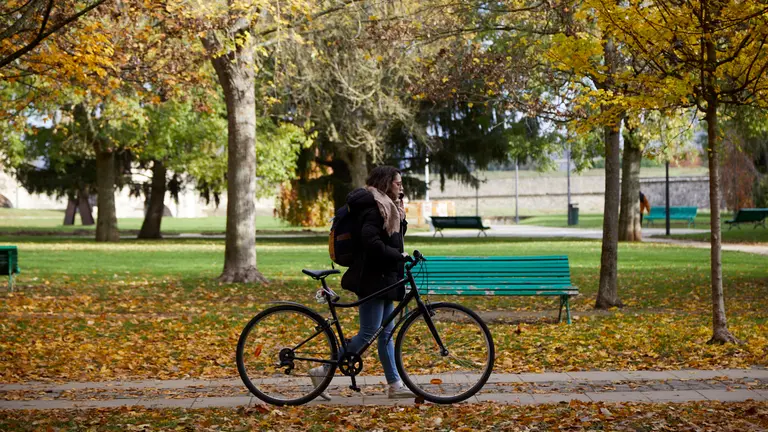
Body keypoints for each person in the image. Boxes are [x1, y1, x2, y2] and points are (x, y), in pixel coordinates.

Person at [309, 165, 414, 400]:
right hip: (372, 277)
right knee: (369, 332)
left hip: (386, 277)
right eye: (398, 183)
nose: (402, 187)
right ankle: (323, 369)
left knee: (385, 333)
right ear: (387, 183)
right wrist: (397, 255)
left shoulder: (388, 206)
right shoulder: (375, 209)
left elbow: (392, 238)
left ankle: (395, 386)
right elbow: (370, 242)